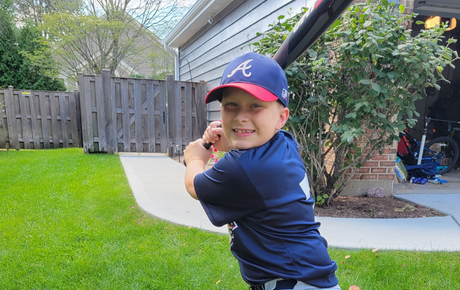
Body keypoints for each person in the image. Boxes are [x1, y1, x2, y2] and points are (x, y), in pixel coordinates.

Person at [184, 52, 340, 290]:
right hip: (304, 276)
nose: (240, 117)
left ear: (281, 117)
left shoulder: (244, 168)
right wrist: (229, 140)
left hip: (292, 282)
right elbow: (246, 149)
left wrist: (195, 157)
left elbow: (194, 186)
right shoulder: (283, 142)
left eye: (255, 106)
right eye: (231, 105)